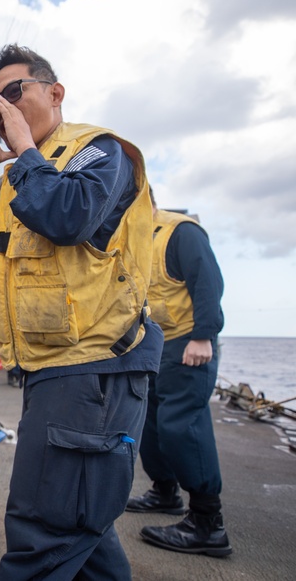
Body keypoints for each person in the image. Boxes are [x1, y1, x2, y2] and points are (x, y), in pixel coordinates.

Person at [0, 44, 161, 580]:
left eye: (13, 93)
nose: (1, 107)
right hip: (54, 373)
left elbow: (68, 217)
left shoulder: (98, 152)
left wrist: (23, 151)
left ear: (54, 94)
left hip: (93, 370)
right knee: (83, 528)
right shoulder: (17, 178)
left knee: (45, 530)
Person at [126, 195, 230, 557]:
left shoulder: (180, 232)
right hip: (155, 345)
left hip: (189, 342)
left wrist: (204, 334)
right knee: (150, 425)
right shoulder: (131, 237)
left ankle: (207, 523)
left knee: (180, 426)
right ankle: (164, 492)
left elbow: (207, 282)